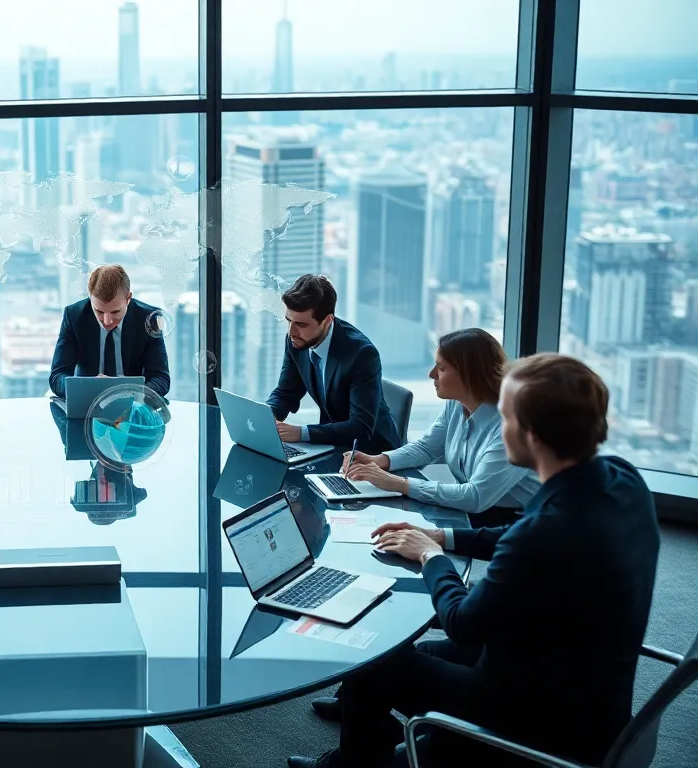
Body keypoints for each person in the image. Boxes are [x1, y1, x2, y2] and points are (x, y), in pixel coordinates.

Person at [288, 354, 660, 768]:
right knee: (395, 658)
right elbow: (521, 538)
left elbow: (462, 621)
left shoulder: (540, 537)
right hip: (585, 687)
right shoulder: (622, 481)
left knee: (371, 659)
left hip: (531, 716)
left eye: (505, 418)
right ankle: (374, 750)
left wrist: (431, 557)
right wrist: (441, 535)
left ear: (531, 434)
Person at [339, 328, 541, 519]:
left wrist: (398, 483)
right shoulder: (456, 405)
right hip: (474, 512)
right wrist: (378, 460)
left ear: (470, 375)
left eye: (441, 368)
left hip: (516, 521)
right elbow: (426, 448)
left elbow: (475, 497)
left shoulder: (509, 426)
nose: (432, 374)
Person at [266, 274, 400, 453]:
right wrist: (266, 419)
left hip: (370, 453)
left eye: (301, 324)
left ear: (327, 320)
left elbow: (361, 427)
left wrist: (300, 433)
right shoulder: (296, 340)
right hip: (331, 446)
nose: (292, 332)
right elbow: (286, 392)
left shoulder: (361, 354)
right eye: (289, 321)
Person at [48, 264, 171, 398]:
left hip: (133, 408)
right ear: (90, 297)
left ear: (128, 299)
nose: (107, 321)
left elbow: (161, 379)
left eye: (115, 312)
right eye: (99, 311)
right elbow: (57, 377)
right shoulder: (74, 316)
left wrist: (124, 393)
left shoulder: (148, 319)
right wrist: (89, 387)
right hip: (87, 403)